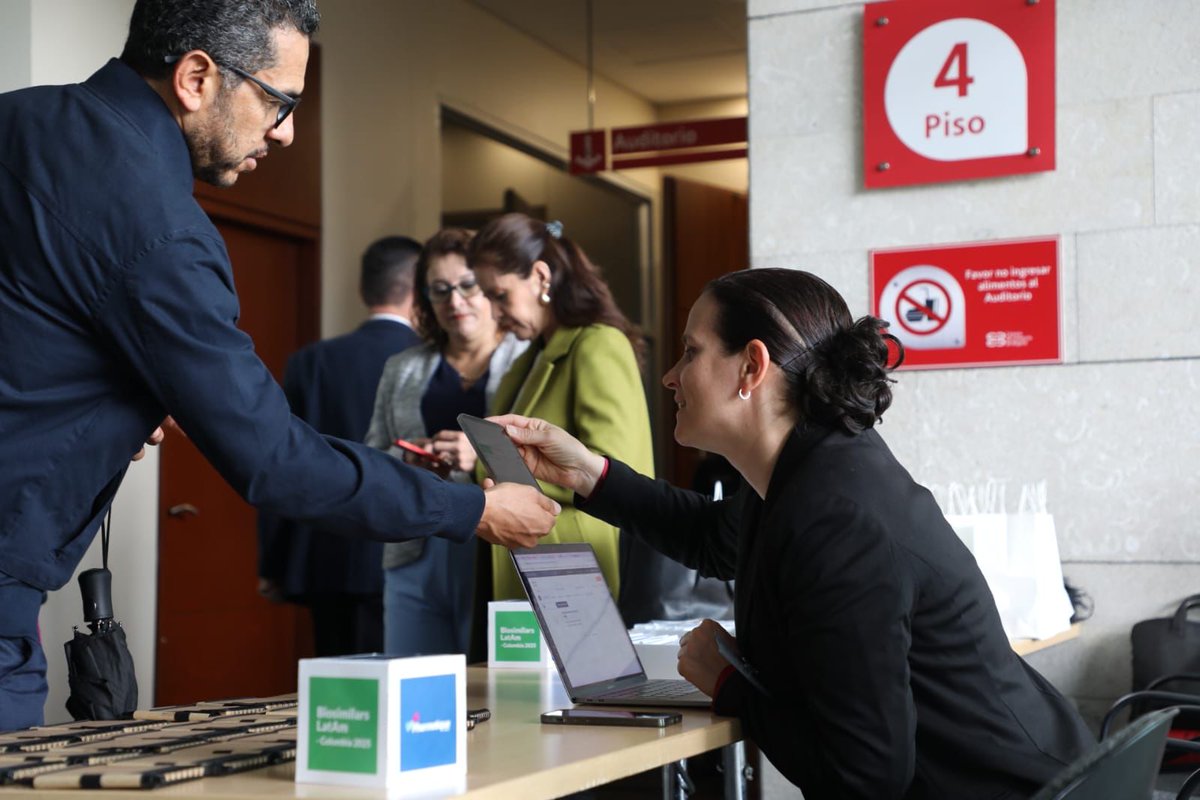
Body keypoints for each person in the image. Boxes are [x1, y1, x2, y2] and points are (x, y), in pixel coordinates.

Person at [0, 0, 556, 732]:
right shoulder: (162, 231)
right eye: (279, 101)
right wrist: (475, 509)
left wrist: (106, 405)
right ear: (197, 77)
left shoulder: (17, 120)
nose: (288, 130)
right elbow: (274, 460)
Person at [494, 268, 1095, 799]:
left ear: (752, 367)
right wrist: (584, 471)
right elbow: (712, 537)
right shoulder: (806, 467)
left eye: (690, 352)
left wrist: (728, 684)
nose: (671, 377)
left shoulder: (835, 516)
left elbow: (863, 777)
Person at [467, 214, 653, 602]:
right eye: (488, 298)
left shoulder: (598, 344)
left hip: (573, 565)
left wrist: (509, 480)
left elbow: (617, 469)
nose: (495, 313)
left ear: (540, 276)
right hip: (526, 556)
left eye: (500, 295)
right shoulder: (526, 361)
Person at [257, 235, 424, 657]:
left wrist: (275, 562)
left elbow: (279, 461)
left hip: (324, 554)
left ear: (363, 290)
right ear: (420, 291)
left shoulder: (312, 361)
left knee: (340, 696)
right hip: (409, 555)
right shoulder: (430, 361)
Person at [364, 229, 528, 657]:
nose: (455, 302)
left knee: (499, 691)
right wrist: (406, 460)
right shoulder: (402, 368)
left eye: (467, 285)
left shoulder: (529, 360)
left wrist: (481, 457)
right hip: (416, 546)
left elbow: (553, 454)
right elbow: (372, 453)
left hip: (496, 547)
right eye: (439, 291)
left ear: (492, 287)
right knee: (411, 683)